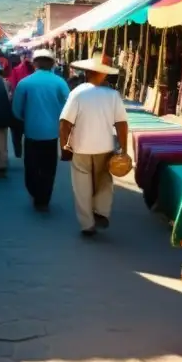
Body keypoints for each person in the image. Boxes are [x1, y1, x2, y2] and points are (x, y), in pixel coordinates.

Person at [58, 54, 128, 236]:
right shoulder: (113, 96)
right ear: (103, 75)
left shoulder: (77, 93)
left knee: (81, 185)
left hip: (80, 147)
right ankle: (101, 211)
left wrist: (64, 145)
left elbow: (65, 122)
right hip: (104, 147)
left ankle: (87, 224)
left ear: (87, 72)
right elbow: (121, 124)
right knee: (104, 181)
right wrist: (124, 150)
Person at [12, 49, 70, 211]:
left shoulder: (25, 83)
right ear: (52, 63)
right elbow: (69, 107)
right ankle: (44, 197)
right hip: (52, 134)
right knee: (49, 167)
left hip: (31, 132)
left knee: (31, 165)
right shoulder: (60, 83)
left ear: (35, 63)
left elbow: (17, 109)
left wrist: (27, 119)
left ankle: (35, 191)